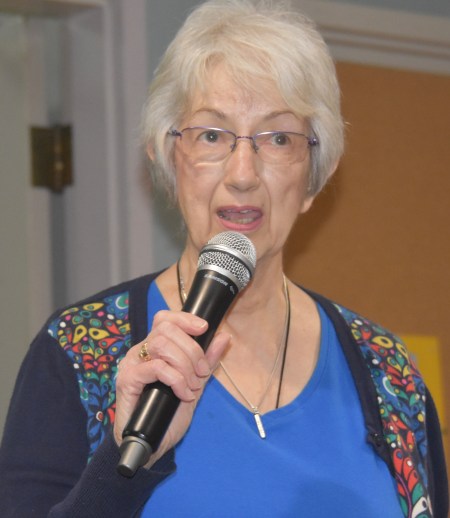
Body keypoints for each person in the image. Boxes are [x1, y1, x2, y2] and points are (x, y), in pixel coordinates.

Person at [0, 0, 447, 516]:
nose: (242, 174)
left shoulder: (388, 372)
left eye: (278, 139)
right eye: (212, 135)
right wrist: (123, 460)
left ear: (314, 174)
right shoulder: (77, 351)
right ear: (168, 157)